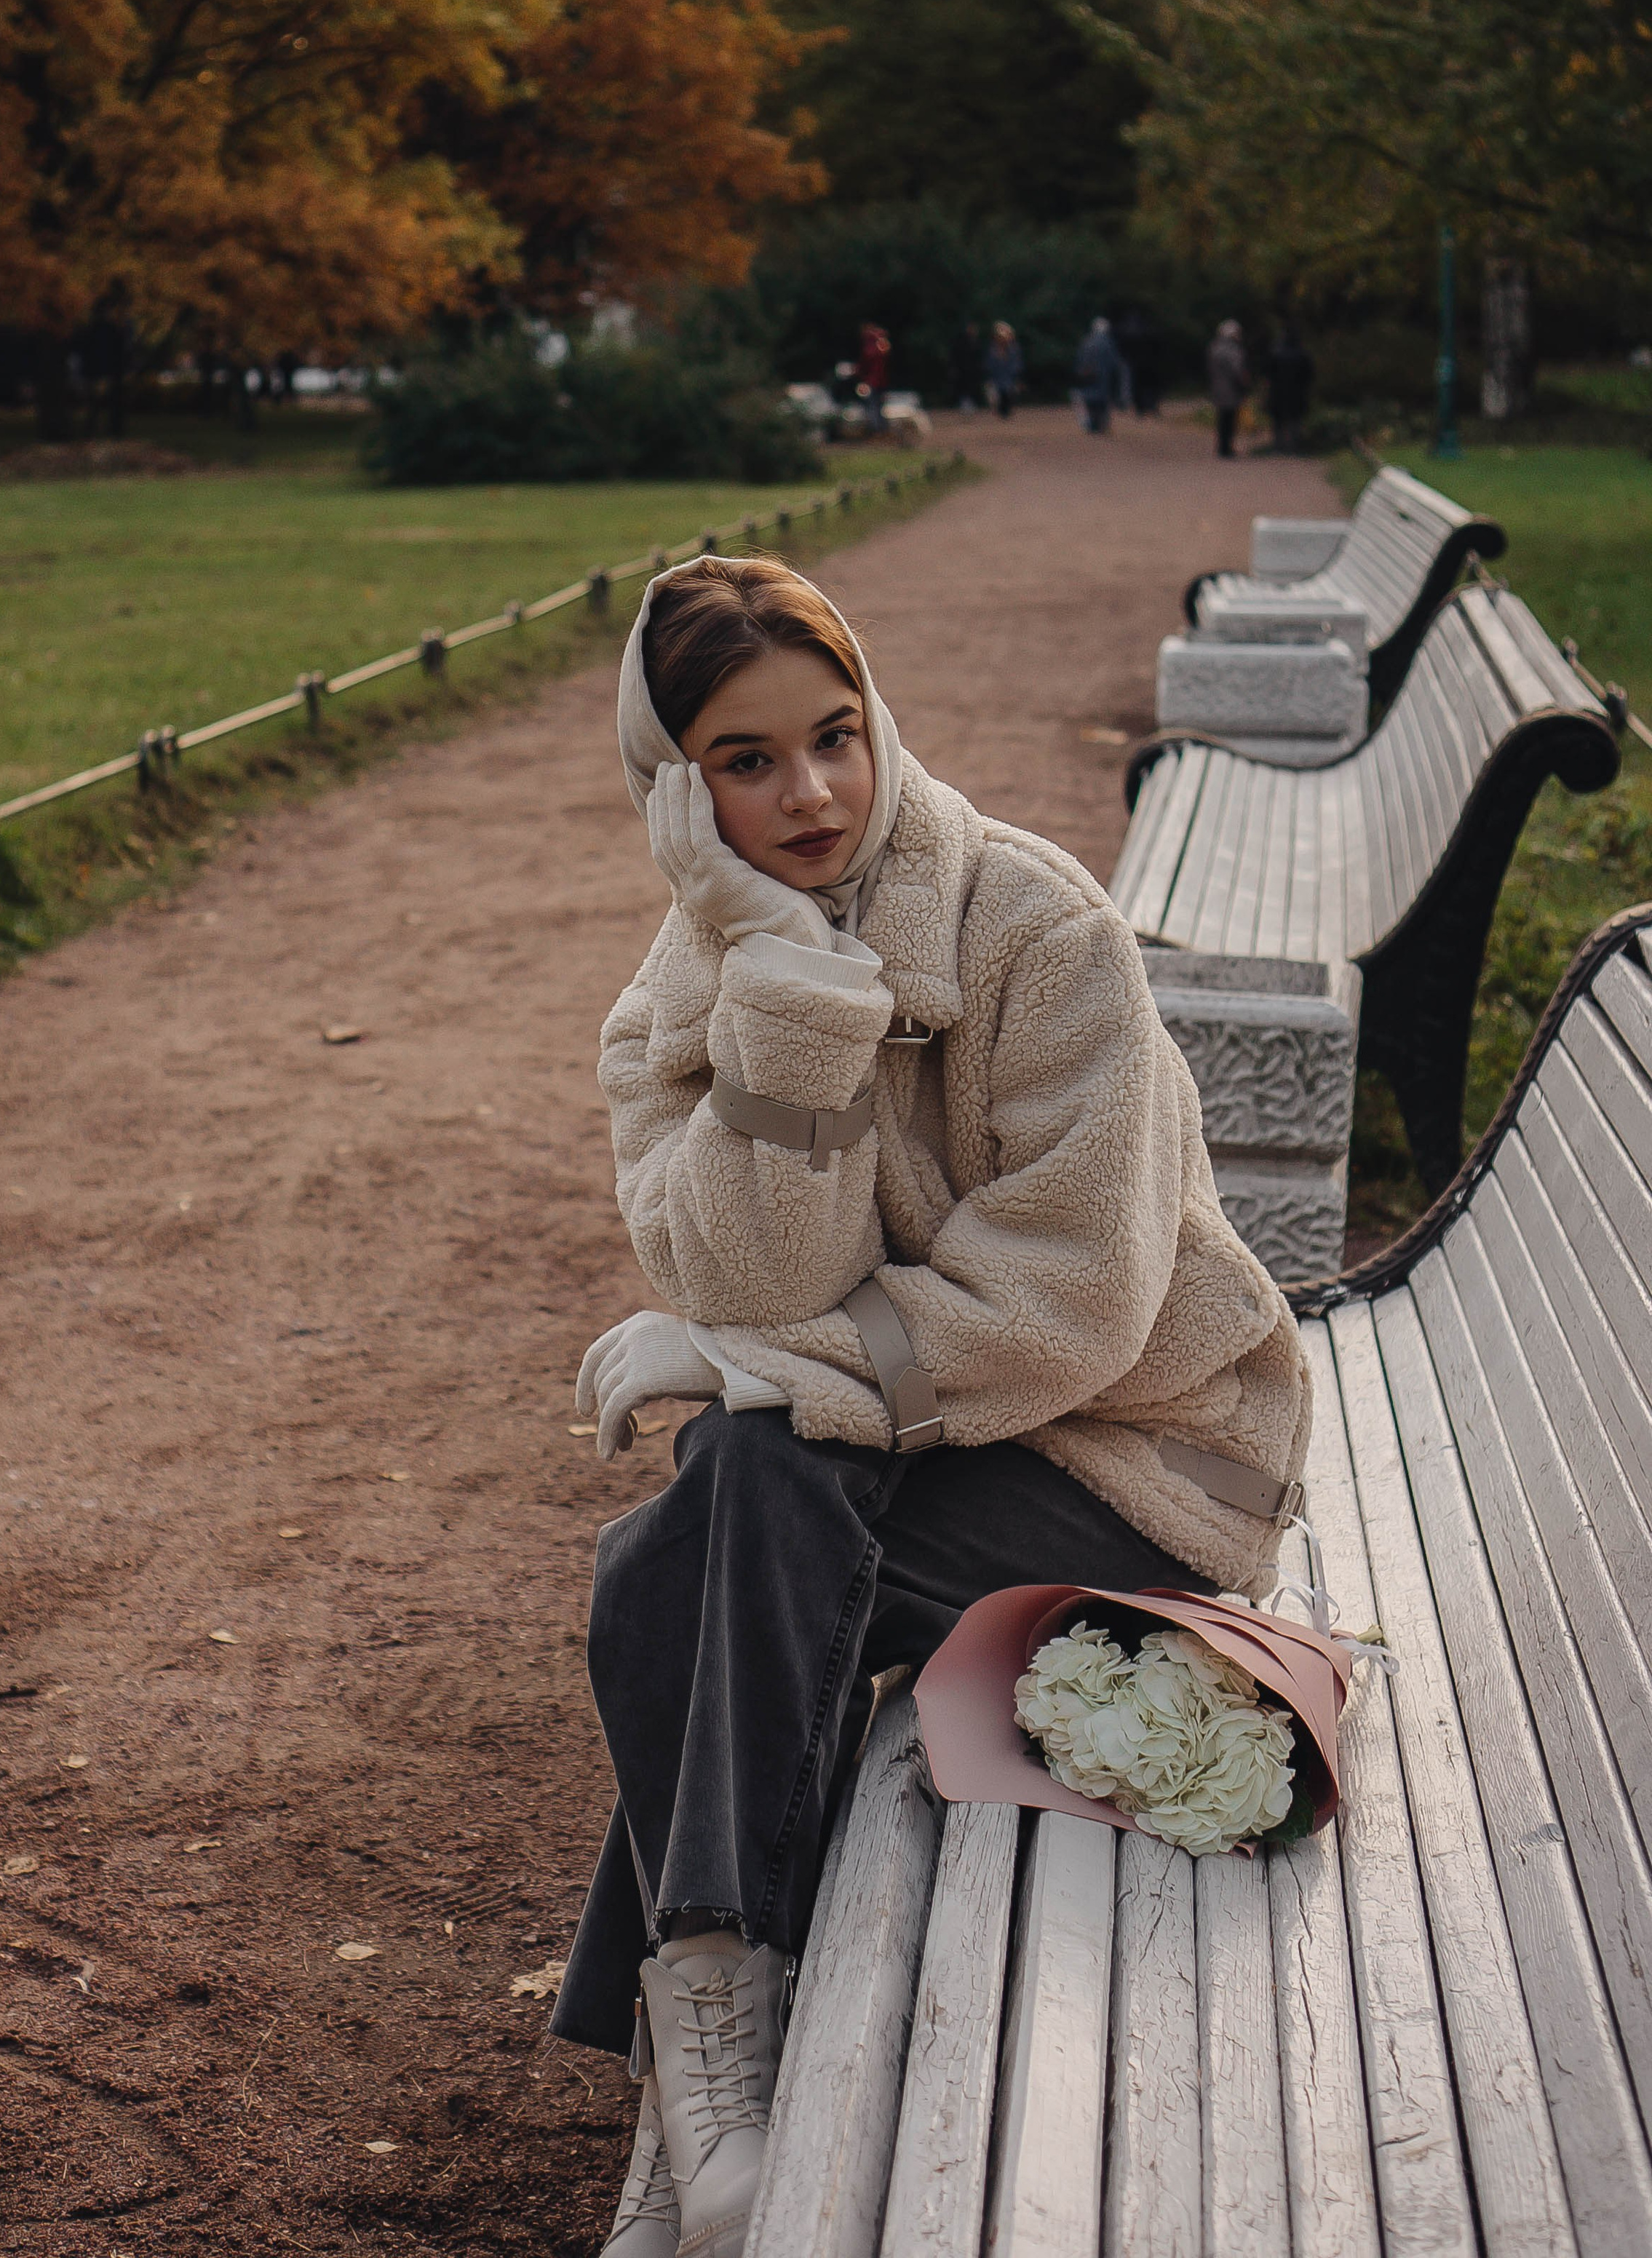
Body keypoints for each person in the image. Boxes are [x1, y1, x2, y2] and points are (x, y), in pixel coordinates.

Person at [557, 557, 1312, 2258]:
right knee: (731, 1512)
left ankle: (692, 2091)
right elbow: (762, 1278)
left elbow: (1069, 1303)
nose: (810, 793)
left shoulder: (1032, 926)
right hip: (918, 1459)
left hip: (1145, 1459)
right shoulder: (672, 1011)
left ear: (875, 719)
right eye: (743, 761)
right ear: (669, 790)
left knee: (700, 1536)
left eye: (832, 734)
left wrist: (773, 1368)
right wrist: (786, 988)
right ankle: (714, 2052)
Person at [1263, 321, 1314, 453]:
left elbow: (1268, 372)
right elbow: (1309, 374)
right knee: (1295, 420)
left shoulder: (1275, 352)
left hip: (1277, 391)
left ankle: (1278, 446)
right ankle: (1294, 446)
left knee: (1278, 420)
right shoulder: (1302, 354)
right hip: (1297, 392)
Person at [1207, 318, 1250, 458]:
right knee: (1231, 419)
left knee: (1221, 418)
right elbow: (1238, 370)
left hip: (1217, 387)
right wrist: (1244, 383)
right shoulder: (1234, 350)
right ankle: (1227, 448)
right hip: (1232, 388)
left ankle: (1222, 446)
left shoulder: (1214, 347)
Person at [1072, 315, 1123, 434]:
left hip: (1088, 377)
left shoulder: (1086, 341)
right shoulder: (1108, 342)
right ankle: (1100, 425)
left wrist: (1080, 373)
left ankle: (1093, 424)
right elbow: (1114, 361)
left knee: (1090, 400)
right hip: (1103, 377)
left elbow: (1079, 360)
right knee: (1102, 402)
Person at [982, 319, 1022, 416]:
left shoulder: (1014, 351)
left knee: (1009, 400)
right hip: (995, 382)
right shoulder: (992, 351)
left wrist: (1017, 381)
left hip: (1009, 382)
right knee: (993, 397)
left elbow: (1017, 368)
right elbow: (988, 368)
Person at [949, 319, 985, 413]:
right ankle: (964, 405)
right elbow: (955, 356)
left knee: (974, 388)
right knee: (963, 389)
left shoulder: (978, 341)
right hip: (963, 371)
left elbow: (980, 357)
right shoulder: (960, 342)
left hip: (974, 371)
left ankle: (973, 404)